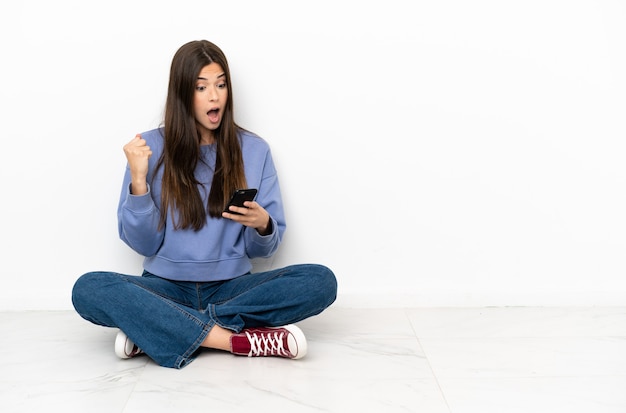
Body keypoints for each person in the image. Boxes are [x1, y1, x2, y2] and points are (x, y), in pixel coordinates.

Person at [71, 40, 338, 369]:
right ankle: (233, 340)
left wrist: (262, 224)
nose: (215, 96)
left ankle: (159, 329)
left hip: (233, 288)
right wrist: (139, 183)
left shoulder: (254, 150)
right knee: (88, 288)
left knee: (320, 281)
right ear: (183, 93)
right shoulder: (148, 148)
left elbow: (263, 252)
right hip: (164, 287)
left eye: (221, 84)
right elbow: (144, 243)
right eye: (201, 87)